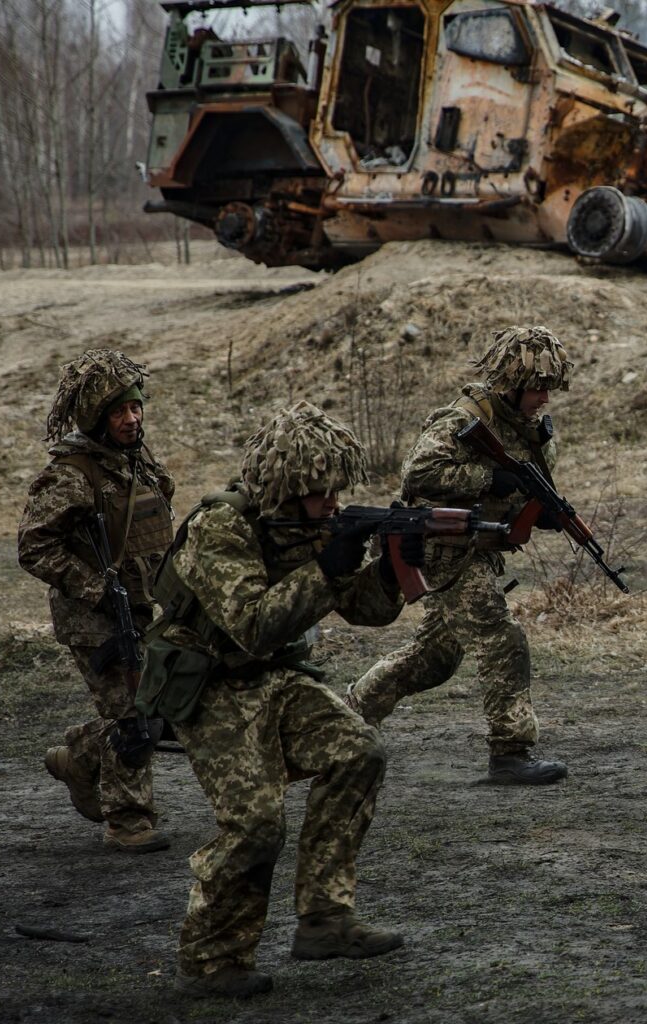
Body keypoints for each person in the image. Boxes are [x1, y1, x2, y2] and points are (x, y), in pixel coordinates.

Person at [140, 401, 404, 998]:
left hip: (271, 678)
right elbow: (251, 625)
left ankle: (325, 920)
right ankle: (212, 960)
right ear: (287, 489)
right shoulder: (221, 527)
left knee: (357, 752)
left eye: (339, 492)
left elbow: (366, 610)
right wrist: (328, 566)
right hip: (209, 685)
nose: (333, 504)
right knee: (257, 824)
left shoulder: (309, 525)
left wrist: (389, 571)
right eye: (322, 493)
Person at [349, 326, 574, 784]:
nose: (544, 398)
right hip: (443, 548)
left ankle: (348, 716)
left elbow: (519, 490)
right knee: (501, 638)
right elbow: (420, 473)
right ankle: (510, 751)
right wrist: (488, 480)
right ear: (510, 382)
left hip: (477, 548)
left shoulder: (527, 430)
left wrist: (540, 512)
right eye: (537, 388)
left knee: (432, 659)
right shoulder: (463, 421)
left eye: (550, 388)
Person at [19, 350, 175, 853]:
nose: (131, 420)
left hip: (143, 606)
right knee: (131, 713)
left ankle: (79, 758)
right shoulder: (71, 475)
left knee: (152, 706)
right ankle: (128, 821)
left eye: (135, 409)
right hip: (94, 619)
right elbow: (33, 545)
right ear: (97, 418)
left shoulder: (139, 462)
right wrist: (94, 588)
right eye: (118, 412)